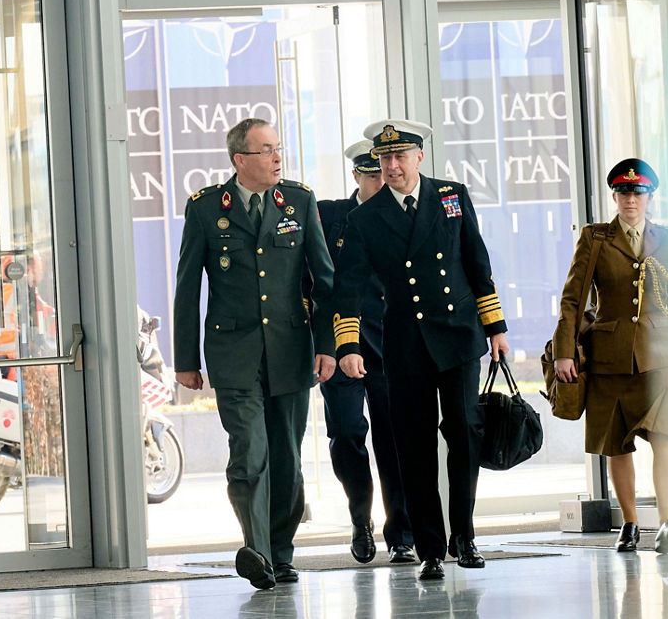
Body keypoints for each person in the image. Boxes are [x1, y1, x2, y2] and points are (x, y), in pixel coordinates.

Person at [329, 120, 510, 581]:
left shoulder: (451, 196)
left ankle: (464, 537)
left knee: (465, 433)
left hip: (459, 334)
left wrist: (496, 328)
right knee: (414, 443)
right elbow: (346, 288)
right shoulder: (364, 219)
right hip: (406, 343)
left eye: (400, 157)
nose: (392, 166)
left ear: (419, 158)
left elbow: (477, 262)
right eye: (385, 159)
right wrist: (348, 344)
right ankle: (430, 546)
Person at [172, 118, 336, 590]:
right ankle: (257, 551)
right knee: (249, 452)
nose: (277, 158)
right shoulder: (206, 209)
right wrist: (186, 360)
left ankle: (281, 554)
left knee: (286, 455)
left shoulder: (299, 201)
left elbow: (323, 282)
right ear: (240, 159)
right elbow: (188, 288)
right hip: (233, 353)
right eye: (266, 150)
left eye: (278, 148)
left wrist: (327, 346)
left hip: (291, 350)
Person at [552, 158, 668, 554]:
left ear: (650, 197)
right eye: (624, 193)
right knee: (616, 443)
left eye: (638, 193)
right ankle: (628, 523)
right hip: (609, 356)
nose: (631, 200)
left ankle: (667, 520)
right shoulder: (596, 239)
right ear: (614, 195)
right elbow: (573, 299)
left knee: (666, 437)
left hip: (661, 357)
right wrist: (563, 353)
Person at [314, 139, 414, 565]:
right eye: (370, 173)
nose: (380, 179)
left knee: (394, 438)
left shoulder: (404, 215)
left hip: (389, 342)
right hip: (342, 344)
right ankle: (360, 519)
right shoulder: (330, 215)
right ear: (356, 175)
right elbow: (313, 281)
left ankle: (402, 534)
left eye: (384, 171)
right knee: (348, 434)